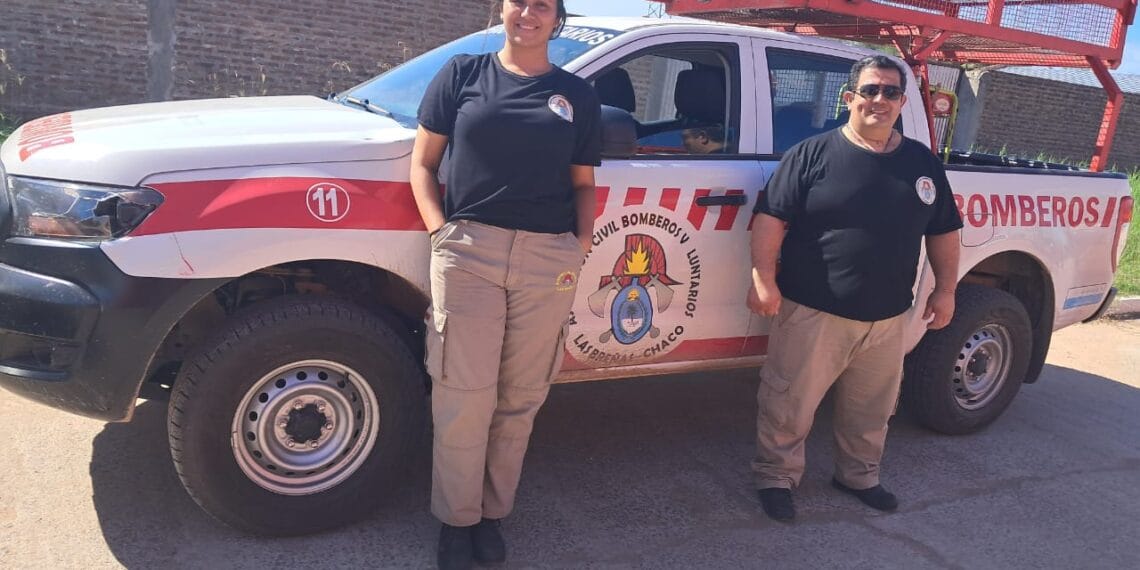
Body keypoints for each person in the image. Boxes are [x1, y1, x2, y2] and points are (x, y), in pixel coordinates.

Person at [409, 0, 601, 568]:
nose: (529, 12)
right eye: (521, 0)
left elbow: (583, 184)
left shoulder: (577, 95)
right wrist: (441, 233)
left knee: (520, 396)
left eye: (544, 4)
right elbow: (423, 164)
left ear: (557, 18)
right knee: (463, 394)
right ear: (503, 8)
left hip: (548, 260)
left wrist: (579, 244)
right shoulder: (463, 74)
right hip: (469, 253)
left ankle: (492, 514)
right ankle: (457, 520)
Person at [746, 55, 963, 522]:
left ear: (902, 103)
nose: (879, 100)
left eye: (890, 92)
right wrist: (763, 278)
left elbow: (944, 230)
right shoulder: (811, 154)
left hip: (889, 316)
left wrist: (946, 289)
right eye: (870, 90)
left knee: (872, 410)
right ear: (849, 98)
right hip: (813, 310)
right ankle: (776, 477)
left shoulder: (922, 163)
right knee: (788, 404)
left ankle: (858, 476)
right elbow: (770, 219)